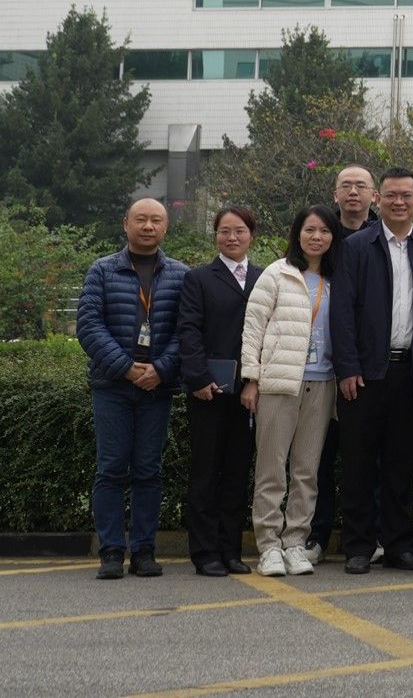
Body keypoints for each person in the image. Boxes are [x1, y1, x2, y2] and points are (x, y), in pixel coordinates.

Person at [330, 167, 413, 575]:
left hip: (411, 373)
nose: (399, 202)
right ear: (378, 199)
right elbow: (342, 312)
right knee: (358, 463)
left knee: (401, 464)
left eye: (406, 195)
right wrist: (347, 366)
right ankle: (359, 546)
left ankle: (398, 544)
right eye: (391, 195)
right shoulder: (356, 247)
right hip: (364, 374)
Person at [76, 197, 188, 580]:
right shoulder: (102, 270)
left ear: (166, 227)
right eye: (141, 219)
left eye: (156, 220)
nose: (148, 226)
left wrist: (161, 369)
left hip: (157, 387)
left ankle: (143, 551)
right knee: (110, 468)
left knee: (148, 471)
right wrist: (126, 368)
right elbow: (89, 326)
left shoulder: (180, 274)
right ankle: (110, 551)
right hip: (111, 385)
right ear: (126, 223)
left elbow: (186, 331)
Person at [240, 204, 341, 577]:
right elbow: (253, 327)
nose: (317, 237)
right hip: (280, 384)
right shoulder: (278, 273)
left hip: (323, 383)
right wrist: (251, 379)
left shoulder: (337, 278)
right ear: (297, 233)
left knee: (307, 471)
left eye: (325, 231)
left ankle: (296, 541)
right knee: (271, 469)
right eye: (310, 229)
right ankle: (268, 545)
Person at [177, 206, 261, 576]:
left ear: (251, 235)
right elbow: (189, 331)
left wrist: (256, 380)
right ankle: (205, 552)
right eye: (224, 231)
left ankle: (231, 550)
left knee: (237, 472)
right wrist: (198, 379)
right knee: (206, 472)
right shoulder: (198, 278)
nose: (232, 237)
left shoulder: (264, 277)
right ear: (215, 236)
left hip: (249, 391)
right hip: (209, 391)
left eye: (239, 230)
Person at [307, 164, 379, 565]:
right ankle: (315, 534)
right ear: (335, 194)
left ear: (374, 195)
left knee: (366, 458)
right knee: (317, 457)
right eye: (346, 186)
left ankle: (371, 534)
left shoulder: (383, 238)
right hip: (318, 367)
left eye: (361, 186)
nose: (353, 192)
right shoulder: (322, 235)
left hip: (366, 371)